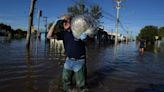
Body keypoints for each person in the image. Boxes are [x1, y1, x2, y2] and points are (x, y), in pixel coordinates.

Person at [47, 15, 88, 92]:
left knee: (81, 85)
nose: (64, 23)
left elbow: (89, 40)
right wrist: (55, 23)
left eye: (66, 21)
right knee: (66, 82)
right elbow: (49, 36)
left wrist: (86, 39)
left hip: (79, 61)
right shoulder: (63, 34)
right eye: (63, 22)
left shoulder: (79, 32)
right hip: (68, 61)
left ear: (72, 22)